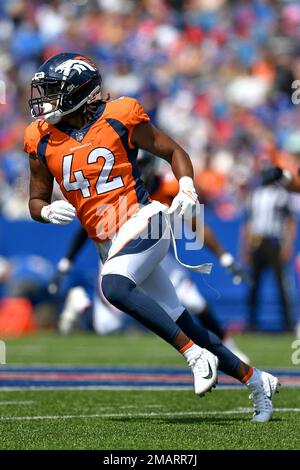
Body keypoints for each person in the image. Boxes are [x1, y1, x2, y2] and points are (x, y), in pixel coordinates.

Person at [25, 52, 278, 422]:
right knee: (184, 321)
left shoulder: (119, 115)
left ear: (78, 91)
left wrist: (187, 187)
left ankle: (195, 356)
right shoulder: (40, 139)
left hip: (147, 220)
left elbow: (173, 150)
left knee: (112, 286)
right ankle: (258, 383)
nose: (43, 101)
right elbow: (35, 198)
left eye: (52, 91)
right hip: (109, 243)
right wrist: (45, 212)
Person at [51, 152, 250, 363]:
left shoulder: (168, 188)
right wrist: (66, 262)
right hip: (121, 256)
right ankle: (81, 303)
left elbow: (195, 225)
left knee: (196, 303)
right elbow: (86, 228)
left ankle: (227, 347)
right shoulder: (116, 187)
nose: (139, 167)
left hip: (157, 257)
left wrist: (225, 257)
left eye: (142, 163)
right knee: (107, 327)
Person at [242, 169, 295, 331]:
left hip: (273, 242)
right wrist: (246, 247)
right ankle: (251, 322)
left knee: (281, 284)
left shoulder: (281, 196)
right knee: (254, 284)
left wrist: (287, 245)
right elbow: (248, 224)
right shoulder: (254, 195)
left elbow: (289, 222)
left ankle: (287, 323)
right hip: (257, 242)